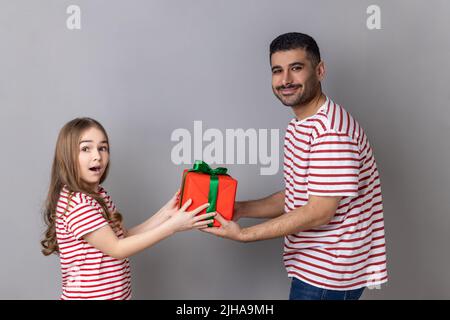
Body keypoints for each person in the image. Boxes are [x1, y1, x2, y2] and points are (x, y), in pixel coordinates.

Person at [203, 32, 388, 300]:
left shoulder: (330, 131)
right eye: (278, 71)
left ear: (320, 70)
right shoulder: (303, 124)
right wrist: (240, 209)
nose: (285, 80)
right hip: (313, 266)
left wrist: (244, 235)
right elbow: (298, 197)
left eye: (296, 68)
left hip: (328, 273)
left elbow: (319, 212)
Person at [41, 117, 214, 300]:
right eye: (86, 148)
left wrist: (166, 213)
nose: (97, 156)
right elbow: (117, 248)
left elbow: (124, 237)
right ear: (67, 157)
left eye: (103, 148)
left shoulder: (98, 195)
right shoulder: (78, 204)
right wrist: (173, 227)